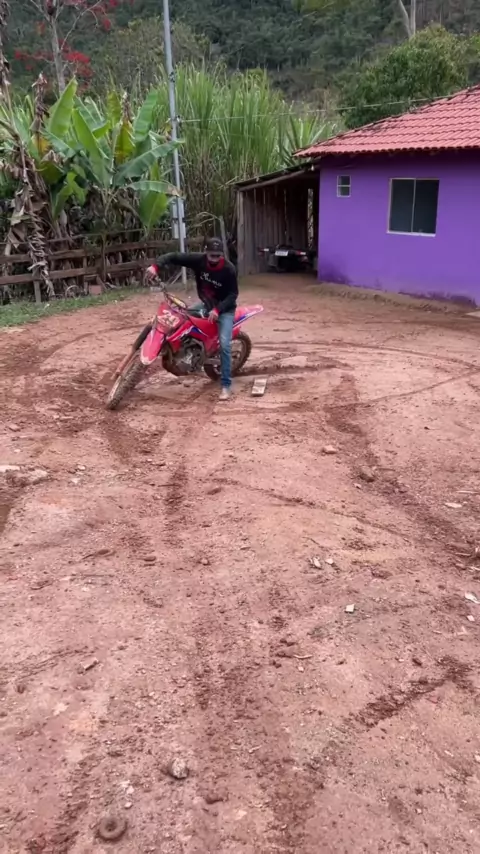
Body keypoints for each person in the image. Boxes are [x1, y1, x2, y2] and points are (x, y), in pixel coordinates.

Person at [146, 237, 238, 401]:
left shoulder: (229, 269)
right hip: (206, 305)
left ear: (221, 255)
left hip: (225, 310)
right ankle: (188, 353)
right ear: (206, 252)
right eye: (212, 255)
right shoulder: (198, 261)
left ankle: (225, 385)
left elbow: (233, 294)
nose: (214, 259)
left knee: (224, 345)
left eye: (217, 256)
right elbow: (174, 256)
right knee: (182, 320)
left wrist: (218, 310)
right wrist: (155, 266)